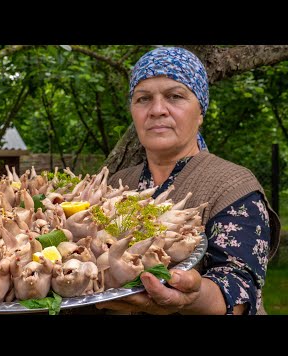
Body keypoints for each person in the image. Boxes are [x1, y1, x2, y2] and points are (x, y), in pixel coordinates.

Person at [96, 47, 280, 315]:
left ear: (201, 111)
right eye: (143, 99)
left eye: (175, 96)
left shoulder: (233, 186)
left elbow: (239, 289)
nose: (157, 110)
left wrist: (193, 297)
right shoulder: (118, 184)